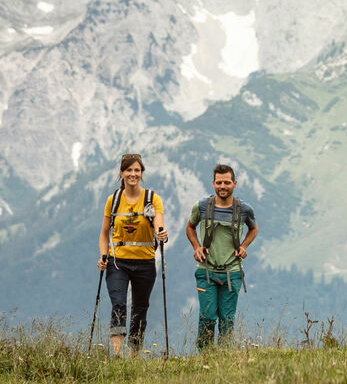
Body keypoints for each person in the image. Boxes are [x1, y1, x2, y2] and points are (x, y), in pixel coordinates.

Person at [97, 153, 168, 357]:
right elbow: (103, 233)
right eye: (129, 170)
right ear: (122, 173)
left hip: (145, 262)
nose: (133, 174)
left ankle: (133, 356)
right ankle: (118, 355)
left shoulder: (152, 199)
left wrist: (161, 232)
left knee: (139, 309)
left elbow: (159, 224)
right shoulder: (114, 200)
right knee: (118, 303)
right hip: (117, 262)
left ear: (141, 173)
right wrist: (103, 256)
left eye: (137, 170)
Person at [184, 164, 258, 351]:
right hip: (206, 270)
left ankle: (224, 355)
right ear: (213, 183)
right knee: (208, 316)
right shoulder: (201, 206)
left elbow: (254, 229)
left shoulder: (244, 209)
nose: (222, 186)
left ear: (234, 183)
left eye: (226, 182)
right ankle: (205, 355)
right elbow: (190, 227)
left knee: (227, 318)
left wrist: (243, 246)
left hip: (232, 272)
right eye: (219, 183)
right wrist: (196, 247)